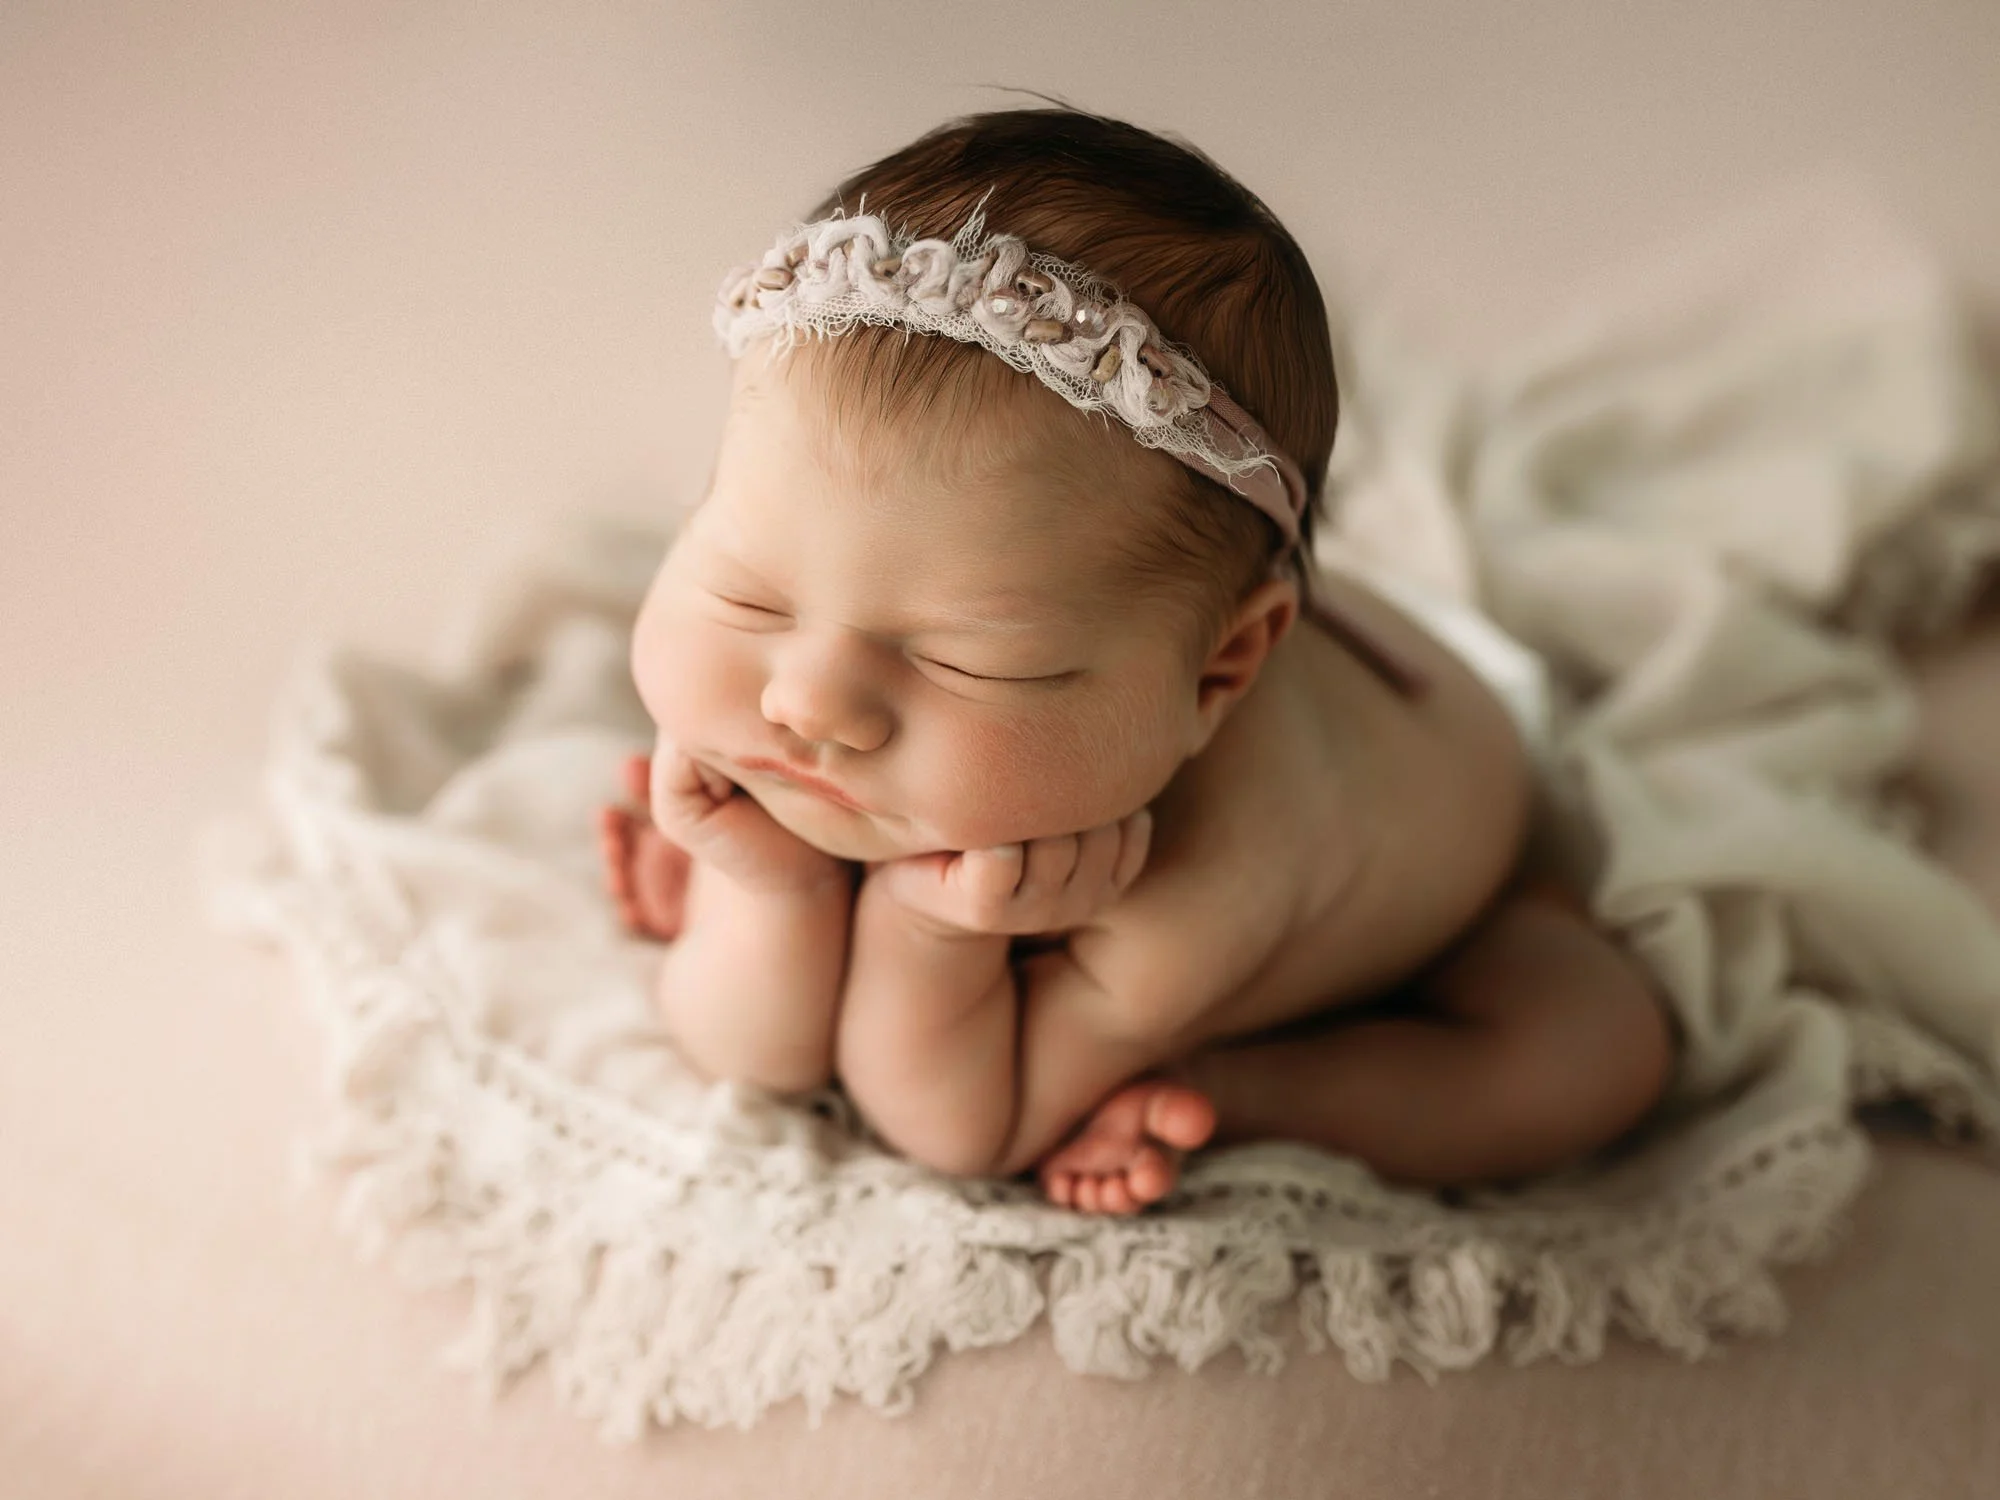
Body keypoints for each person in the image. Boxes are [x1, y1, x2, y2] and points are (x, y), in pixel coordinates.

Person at [599, 107, 1674, 1216]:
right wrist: (768, 890)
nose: (806, 699)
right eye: (743, 588)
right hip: (1214, 667)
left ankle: (1229, 1080)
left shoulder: (1202, 886)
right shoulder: (836, 691)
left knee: (1591, 1053)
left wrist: (930, 934)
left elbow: (956, 1124)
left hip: (1443, 860)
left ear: (1212, 679)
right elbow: (750, 1060)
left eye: (969, 662)